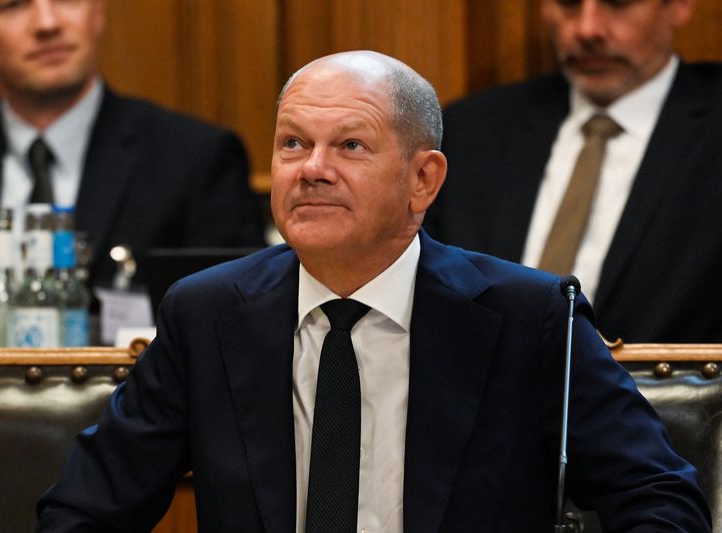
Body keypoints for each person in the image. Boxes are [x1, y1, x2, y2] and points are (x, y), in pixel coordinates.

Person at [35, 51, 711, 532]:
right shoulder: (207, 312)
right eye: (293, 143)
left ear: (423, 179)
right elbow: (86, 507)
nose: (313, 169)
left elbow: (658, 497)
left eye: (351, 145)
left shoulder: (529, 316)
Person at [0, 0, 265, 324]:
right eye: (14, 4)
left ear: (98, 9)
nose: (47, 23)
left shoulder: (196, 158)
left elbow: (237, 327)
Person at [424, 0, 722, 343]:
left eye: (618, 3)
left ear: (680, 6)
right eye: (568, 4)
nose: (587, 29)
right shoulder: (473, 131)